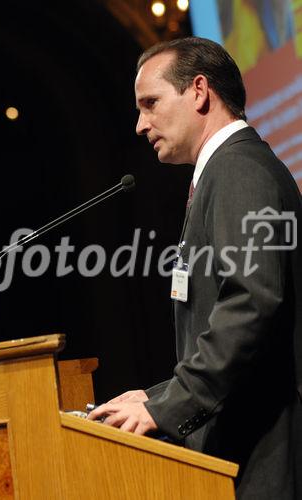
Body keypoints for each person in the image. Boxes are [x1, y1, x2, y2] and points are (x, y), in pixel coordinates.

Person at [88, 37, 302, 499]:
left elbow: (252, 302)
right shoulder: (224, 170)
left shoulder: (238, 170)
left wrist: (171, 406)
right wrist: (159, 395)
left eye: (150, 103)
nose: (140, 124)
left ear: (200, 91)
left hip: (264, 451)